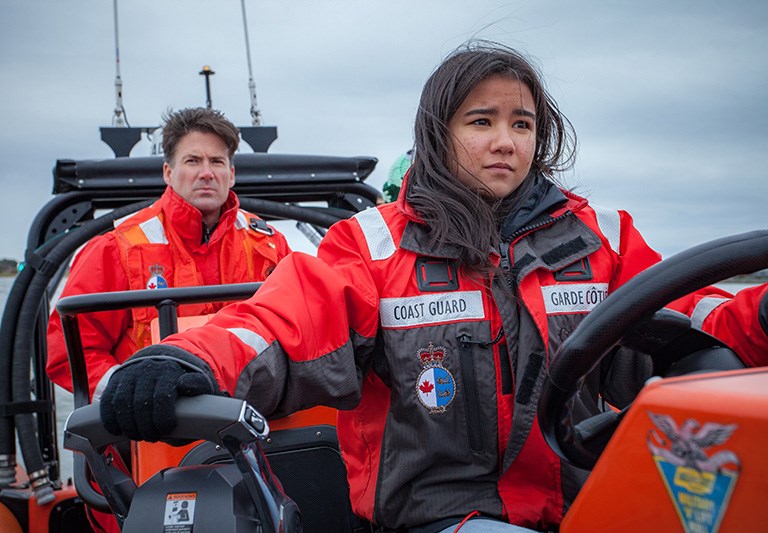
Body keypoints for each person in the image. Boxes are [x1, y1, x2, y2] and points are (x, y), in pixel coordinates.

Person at [98, 43, 768, 532]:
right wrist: (182, 359)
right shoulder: (369, 246)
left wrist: (759, 314)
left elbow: (692, 317)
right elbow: (275, 326)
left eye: (522, 123)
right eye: (482, 121)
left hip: (591, 505)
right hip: (439, 517)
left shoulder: (605, 239)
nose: (506, 140)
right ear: (439, 133)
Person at [46, 106, 291, 400]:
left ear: (232, 173)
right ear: (168, 172)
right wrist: (130, 395)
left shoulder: (271, 245)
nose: (206, 173)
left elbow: (301, 329)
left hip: (263, 417)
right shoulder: (116, 248)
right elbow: (69, 351)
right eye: (192, 161)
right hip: (157, 429)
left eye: (217, 161)